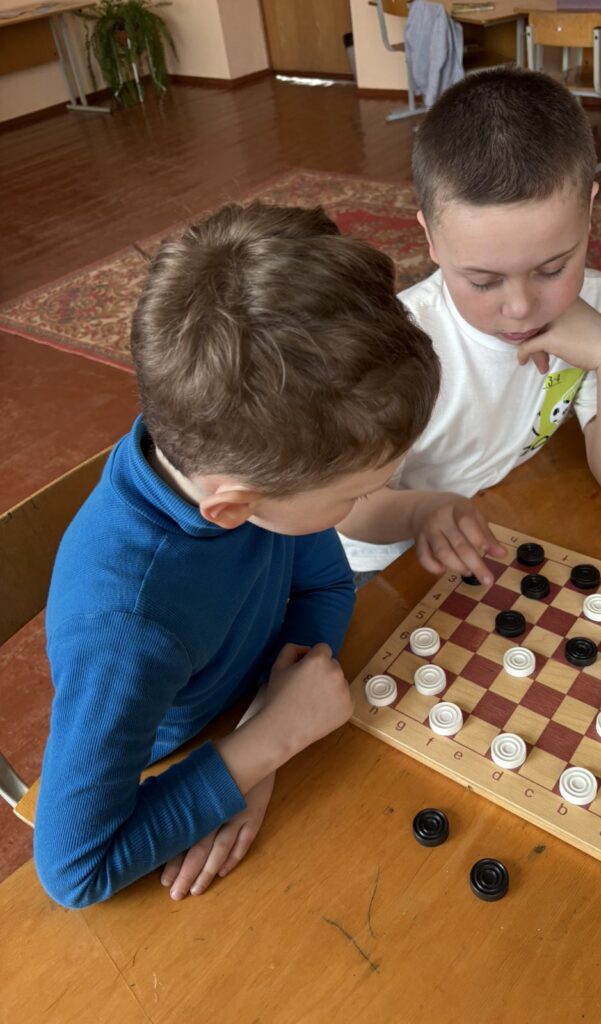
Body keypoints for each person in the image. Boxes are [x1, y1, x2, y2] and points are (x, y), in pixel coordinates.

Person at [35, 201, 440, 909]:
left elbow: (324, 589)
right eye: (354, 494)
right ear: (233, 509)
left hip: (241, 716)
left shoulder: (249, 454)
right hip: (168, 756)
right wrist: (262, 748)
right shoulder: (126, 629)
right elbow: (74, 871)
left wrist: (265, 731)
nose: (368, 502)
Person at [338, 67, 601, 586]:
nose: (520, 308)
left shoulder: (600, 304)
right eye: (483, 281)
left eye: (552, 270)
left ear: (588, 212)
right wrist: (421, 513)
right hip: (384, 556)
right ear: (431, 239)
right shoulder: (396, 345)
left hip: (497, 516)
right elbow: (346, 507)